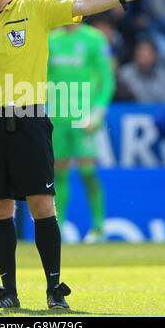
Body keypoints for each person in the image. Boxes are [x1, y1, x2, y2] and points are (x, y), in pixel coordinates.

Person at [0, 0, 162, 310]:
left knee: (43, 204)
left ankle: (54, 290)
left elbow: (83, 3)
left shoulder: (35, 9)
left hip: (29, 119)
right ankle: (7, 292)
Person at [47, 22, 115, 243]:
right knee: (59, 174)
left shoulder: (94, 38)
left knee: (88, 171)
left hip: (85, 117)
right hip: (57, 118)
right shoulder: (51, 39)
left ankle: (98, 227)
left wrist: (98, 112)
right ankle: (59, 227)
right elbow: (41, 77)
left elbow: (107, 79)